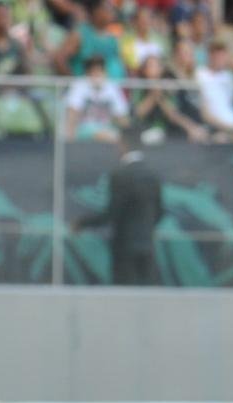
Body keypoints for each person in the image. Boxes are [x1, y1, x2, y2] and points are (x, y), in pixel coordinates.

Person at [73, 126, 164, 285]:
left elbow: (112, 213)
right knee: (148, 297)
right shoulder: (153, 175)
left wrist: (82, 223)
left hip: (124, 247)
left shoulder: (120, 175)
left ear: (122, 144)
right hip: (147, 246)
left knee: (124, 297)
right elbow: (160, 212)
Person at [63, 55, 128, 142]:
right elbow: (72, 114)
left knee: (117, 135)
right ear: (88, 73)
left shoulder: (112, 87)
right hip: (83, 130)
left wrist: (129, 135)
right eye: (94, 71)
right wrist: (69, 141)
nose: (97, 74)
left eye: (100, 71)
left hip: (107, 130)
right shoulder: (79, 86)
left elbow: (121, 117)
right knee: (106, 135)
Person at [195, 40, 233, 143]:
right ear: (211, 56)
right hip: (215, 127)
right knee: (221, 139)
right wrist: (229, 129)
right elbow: (204, 112)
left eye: (223, 56)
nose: (221, 59)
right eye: (218, 56)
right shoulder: (200, 74)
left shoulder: (229, 76)